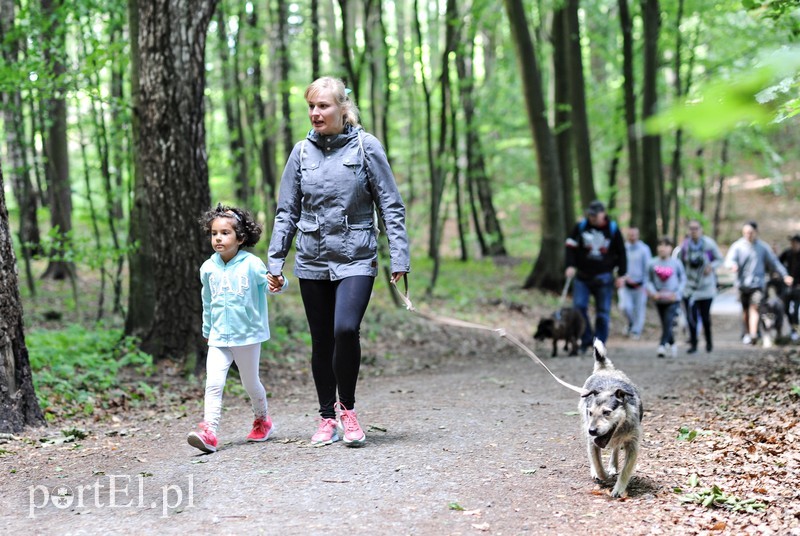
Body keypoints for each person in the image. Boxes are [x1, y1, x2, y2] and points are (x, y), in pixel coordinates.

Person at [267, 76, 410, 448]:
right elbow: (286, 211)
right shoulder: (300, 153)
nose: (315, 113)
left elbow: (390, 204)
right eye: (311, 106)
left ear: (343, 108)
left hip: (356, 256)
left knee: (345, 329)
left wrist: (400, 255)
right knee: (321, 340)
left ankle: (347, 409)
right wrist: (275, 261)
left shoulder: (366, 147)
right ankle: (326, 418)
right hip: (312, 259)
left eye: (323, 106)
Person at [187, 204, 287, 454]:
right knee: (213, 383)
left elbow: (271, 286)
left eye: (225, 233)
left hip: (248, 335)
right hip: (219, 337)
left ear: (241, 238)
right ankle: (209, 431)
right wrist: (207, 329)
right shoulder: (208, 268)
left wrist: (279, 282)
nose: (218, 238)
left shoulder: (252, 264)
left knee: (250, 383)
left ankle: (262, 420)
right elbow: (207, 301)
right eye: (214, 233)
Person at [565, 200, 627, 351]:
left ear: (603, 214)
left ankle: (599, 344)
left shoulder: (612, 229)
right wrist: (570, 265)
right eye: (590, 214)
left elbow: (621, 252)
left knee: (603, 313)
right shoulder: (581, 227)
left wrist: (621, 274)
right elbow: (570, 247)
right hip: (582, 277)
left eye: (595, 215)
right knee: (579, 308)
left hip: (604, 278)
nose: (592, 217)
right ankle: (586, 339)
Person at [724, 221, 793, 345]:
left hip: (757, 284)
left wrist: (785, 275)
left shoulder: (763, 247)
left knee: (755, 308)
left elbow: (774, 263)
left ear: (756, 232)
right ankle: (747, 333)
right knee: (745, 310)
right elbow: (729, 260)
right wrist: (732, 265)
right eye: (745, 232)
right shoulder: (737, 246)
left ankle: (753, 334)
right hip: (742, 284)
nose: (748, 235)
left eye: (750, 232)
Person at [674, 220, 723, 353]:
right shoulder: (684, 247)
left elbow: (720, 259)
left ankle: (709, 342)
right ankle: (694, 344)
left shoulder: (709, 244)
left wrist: (711, 267)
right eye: (691, 228)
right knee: (691, 318)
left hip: (706, 287)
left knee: (705, 317)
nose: (694, 231)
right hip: (689, 288)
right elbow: (678, 265)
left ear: (701, 230)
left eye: (696, 228)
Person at [646, 237, 687, 358]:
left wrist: (677, 294)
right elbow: (648, 280)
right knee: (665, 323)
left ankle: (662, 345)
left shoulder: (676, 263)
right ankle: (672, 344)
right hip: (659, 299)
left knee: (668, 320)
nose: (662, 248)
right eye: (660, 245)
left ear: (670, 248)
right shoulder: (652, 263)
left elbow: (683, 280)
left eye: (666, 245)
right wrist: (653, 292)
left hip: (673, 299)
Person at [618, 227, 651, 340]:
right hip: (626, 285)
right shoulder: (623, 248)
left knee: (639, 309)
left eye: (634, 235)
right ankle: (631, 323)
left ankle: (636, 330)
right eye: (630, 235)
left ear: (638, 235)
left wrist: (646, 285)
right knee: (625, 307)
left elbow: (648, 268)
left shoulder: (644, 249)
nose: (632, 237)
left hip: (640, 285)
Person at [779, 234, 800, 341]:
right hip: (787, 287)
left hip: (798, 287)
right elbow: (777, 263)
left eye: (795, 243)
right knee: (786, 309)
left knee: (796, 310)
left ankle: (795, 330)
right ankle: (793, 328)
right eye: (792, 243)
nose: (793, 245)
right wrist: (784, 275)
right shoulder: (787, 253)